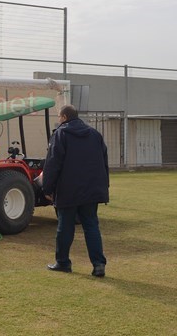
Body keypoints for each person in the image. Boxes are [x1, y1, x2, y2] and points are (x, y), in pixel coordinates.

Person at [42, 104, 109, 277]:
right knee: (91, 225)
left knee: (65, 227)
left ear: (64, 117)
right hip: (92, 189)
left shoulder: (61, 134)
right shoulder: (95, 134)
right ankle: (98, 264)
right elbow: (104, 162)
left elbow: (53, 163)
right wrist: (104, 186)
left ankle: (63, 262)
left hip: (68, 189)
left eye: (59, 116)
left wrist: (47, 187)